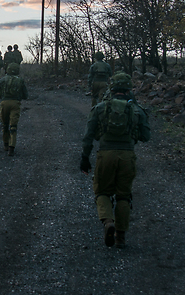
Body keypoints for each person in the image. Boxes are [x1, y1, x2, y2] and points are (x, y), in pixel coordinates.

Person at [80, 71, 150, 248]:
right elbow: (146, 136)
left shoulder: (100, 108)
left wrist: (85, 158)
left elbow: (88, 136)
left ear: (112, 88)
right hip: (127, 156)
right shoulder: (136, 110)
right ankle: (121, 236)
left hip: (106, 154)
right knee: (124, 196)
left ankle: (108, 222)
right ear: (129, 89)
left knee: (102, 192)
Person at [0, 63, 28, 156]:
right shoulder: (20, 80)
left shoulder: (2, 80)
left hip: (4, 103)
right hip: (15, 104)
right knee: (13, 126)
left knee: (5, 125)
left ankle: (5, 144)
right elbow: (26, 95)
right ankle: (11, 147)